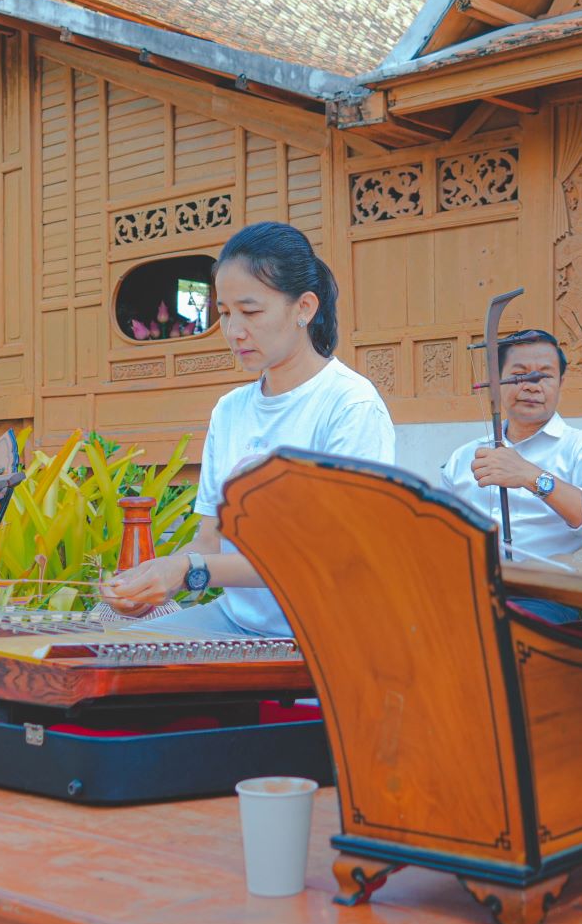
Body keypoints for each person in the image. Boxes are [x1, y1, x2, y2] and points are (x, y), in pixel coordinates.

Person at [98, 222, 394, 637]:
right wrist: (151, 580)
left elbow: (331, 557)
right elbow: (209, 542)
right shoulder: (230, 410)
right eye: (224, 313)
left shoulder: (350, 405)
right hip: (237, 620)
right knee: (114, 651)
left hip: (325, 634)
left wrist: (190, 570)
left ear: (304, 308)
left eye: (251, 312)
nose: (234, 332)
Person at [438, 328, 582, 618]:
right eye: (519, 375)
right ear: (495, 382)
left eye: (545, 376)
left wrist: (531, 476)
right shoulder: (464, 456)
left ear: (561, 383)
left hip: (545, 595)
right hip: (465, 591)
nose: (531, 386)